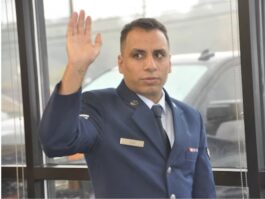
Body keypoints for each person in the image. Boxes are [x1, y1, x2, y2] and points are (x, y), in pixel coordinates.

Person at [39, 10, 216, 198]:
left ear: (169, 63)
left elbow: (204, 190)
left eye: (159, 55)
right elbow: (56, 142)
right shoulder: (101, 107)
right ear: (121, 63)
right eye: (138, 55)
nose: (150, 65)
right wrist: (76, 68)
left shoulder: (190, 117)